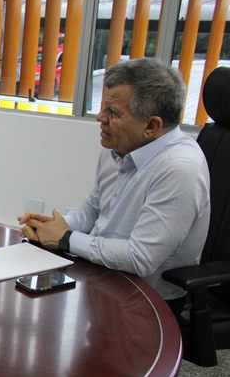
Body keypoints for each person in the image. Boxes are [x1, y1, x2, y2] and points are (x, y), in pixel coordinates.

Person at [18, 58, 210, 314]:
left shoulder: (180, 169)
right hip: (101, 276)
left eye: (113, 113)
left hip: (148, 301)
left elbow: (140, 258)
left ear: (151, 126)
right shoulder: (117, 148)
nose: (100, 118)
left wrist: (65, 239)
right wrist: (49, 229)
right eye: (102, 108)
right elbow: (92, 209)